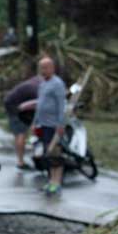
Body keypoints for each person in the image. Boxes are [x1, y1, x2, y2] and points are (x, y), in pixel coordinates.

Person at [34, 57, 68, 195]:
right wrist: (35, 122)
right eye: (41, 68)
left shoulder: (57, 84)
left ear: (52, 68)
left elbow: (62, 105)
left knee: (55, 154)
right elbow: (39, 104)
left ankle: (57, 182)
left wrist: (61, 124)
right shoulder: (42, 84)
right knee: (47, 154)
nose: (43, 70)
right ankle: (51, 180)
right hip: (43, 124)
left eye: (46, 67)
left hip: (54, 125)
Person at [2, 75, 40, 169]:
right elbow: (39, 106)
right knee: (21, 133)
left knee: (20, 133)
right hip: (15, 106)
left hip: (12, 103)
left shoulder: (37, 81)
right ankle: (20, 162)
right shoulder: (38, 89)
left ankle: (21, 160)